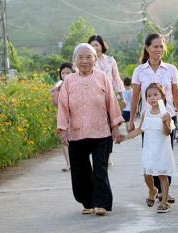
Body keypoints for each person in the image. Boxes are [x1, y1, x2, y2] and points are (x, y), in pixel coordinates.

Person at [57, 43, 124, 216]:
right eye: (80, 57)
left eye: (89, 57)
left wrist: (115, 127)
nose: (84, 61)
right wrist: (63, 130)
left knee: (100, 170)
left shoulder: (102, 77)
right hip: (76, 133)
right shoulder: (69, 81)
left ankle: (101, 203)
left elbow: (111, 102)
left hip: (100, 132)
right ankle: (87, 202)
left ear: (95, 59)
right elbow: (63, 107)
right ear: (74, 61)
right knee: (80, 172)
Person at [129, 33, 178, 204]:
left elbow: (176, 95)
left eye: (161, 46)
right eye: (155, 46)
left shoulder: (171, 69)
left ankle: (164, 192)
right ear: (147, 48)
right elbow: (135, 97)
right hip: (149, 120)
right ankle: (154, 189)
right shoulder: (139, 71)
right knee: (151, 154)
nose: (159, 49)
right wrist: (131, 119)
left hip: (168, 117)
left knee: (166, 155)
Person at [121, 83, 177, 213]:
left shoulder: (167, 114)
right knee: (147, 174)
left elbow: (168, 132)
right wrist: (125, 137)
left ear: (163, 97)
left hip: (162, 149)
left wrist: (165, 122)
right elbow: (140, 129)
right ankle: (152, 190)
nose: (152, 98)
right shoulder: (146, 113)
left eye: (156, 95)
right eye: (149, 95)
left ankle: (164, 202)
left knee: (163, 175)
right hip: (149, 149)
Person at [88, 34, 125, 166]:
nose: (94, 47)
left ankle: (107, 155)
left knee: (111, 127)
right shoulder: (89, 61)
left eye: (96, 45)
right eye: (92, 45)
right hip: (93, 99)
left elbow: (116, 78)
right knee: (96, 127)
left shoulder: (110, 60)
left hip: (110, 98)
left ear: (102, 46)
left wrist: (121, 96)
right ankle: (97, 154)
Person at [50, 62, 75, 172]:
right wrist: (55, 94)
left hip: (75, 116)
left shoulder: (77, 84)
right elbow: (56, 104)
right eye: (63, 73)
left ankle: (76, 162)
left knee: (76, 139)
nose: (65, 75)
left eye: (68, 73)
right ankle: (68, 163)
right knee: (64, 139)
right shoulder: (58, 86)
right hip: (63, 117)